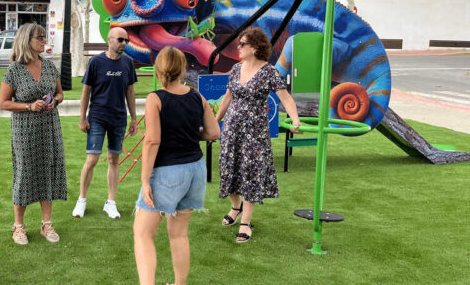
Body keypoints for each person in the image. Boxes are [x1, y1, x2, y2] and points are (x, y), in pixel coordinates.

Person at [133, 46, 219, 285]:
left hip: (168, 173)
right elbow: (213, 132)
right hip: (195, 171)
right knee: (179, 234)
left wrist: (144, 180)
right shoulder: (197, 96)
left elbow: (152, 140)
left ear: (158, 70)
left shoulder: (155, 98)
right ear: (183, 69)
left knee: (143, 233)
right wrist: (188, 134)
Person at [215, 27, 302, 243]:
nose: (238, 47)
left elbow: (285, 98)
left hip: (255, 133)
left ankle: (245, 222)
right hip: (232, 129)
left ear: (255, 48)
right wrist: (215, 121)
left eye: (242, 44)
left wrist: (295, 120)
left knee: (251, 173)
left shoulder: (269, 72)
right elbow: (227, 97)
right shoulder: (236, 68)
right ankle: (236, 207)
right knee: (228, 167)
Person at [0, 23, 66, 245]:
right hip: (25, 129)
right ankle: (18, 226)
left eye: (45, 37)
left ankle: (47, 224)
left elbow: (60, 93)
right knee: (24, 174)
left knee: (48, 171)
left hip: (49, 127)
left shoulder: (49, 66)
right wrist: (28, 106)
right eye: (40, 37)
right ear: (26, 40)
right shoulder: (14, 70)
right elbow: (3, 103)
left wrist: (54, 102)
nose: (44, 41)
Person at [73, 27, 138, 219]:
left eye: (126, 40)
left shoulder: (128, 63)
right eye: (120, 40)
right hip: (98, 117)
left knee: (114, 159)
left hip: (119, 118)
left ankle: (110, 202)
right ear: (109, 40)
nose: (124, 43)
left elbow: (130, 91)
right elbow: (86, 91)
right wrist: (82, 117)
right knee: (92, 160)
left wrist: (134, 118)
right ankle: (81, 200)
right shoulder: (96, 62)